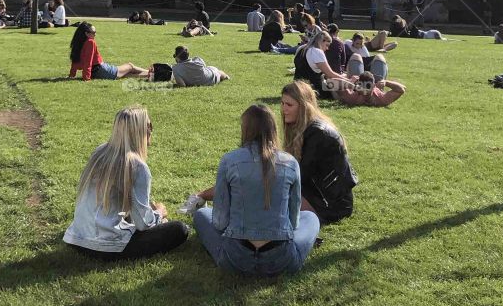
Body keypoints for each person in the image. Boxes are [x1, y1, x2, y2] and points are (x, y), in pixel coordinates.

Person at [188, 103, 320, 278]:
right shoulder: (290, 163)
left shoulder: (229, 161)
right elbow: (294, 221)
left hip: (235, 258)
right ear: (273, 129)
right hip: (281, 259)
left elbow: (220, 222)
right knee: (310, 217)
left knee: (202, 214)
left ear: (245, 129)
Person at [63, 106, 188, 259]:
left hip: (76, 238)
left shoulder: (100, 152)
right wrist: (159, 213)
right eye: (149, 126)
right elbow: (143, 224)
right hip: (105, 246)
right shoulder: (137, 166)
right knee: (179, 229)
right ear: (140, 130)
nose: (151, 130)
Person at [281, 81, 357, 224]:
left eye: (289, 105)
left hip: (332, 204)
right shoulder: (307, 127)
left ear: (304, 107)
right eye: (283, 103)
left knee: (273, 195)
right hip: (317, 194)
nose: (284, 109)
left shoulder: (318, 134)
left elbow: (300, 175)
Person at [68, 22, 146, 82]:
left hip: (96, 72)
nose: (95, 34)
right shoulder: (90, 42)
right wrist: (86, 78)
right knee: (130, 66)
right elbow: (88, 61)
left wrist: (72, 74)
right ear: (86, 33)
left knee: (128, 74)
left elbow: (75, 60)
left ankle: (152, 73)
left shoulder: (78, 42)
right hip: (100, 70)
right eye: (93, 32)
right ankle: (152, 72)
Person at [294, 29, 347, 97]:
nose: (327, 48)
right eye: (327, 45)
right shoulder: (317, 52)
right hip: (313, 88)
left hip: (297, 86)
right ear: (322, 41)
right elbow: (330, 74)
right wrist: (348, 80)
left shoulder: (301, 48)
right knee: (340, 83)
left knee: (342, 77)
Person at [333, 71, 406, 107]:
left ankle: (345, 74)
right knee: (379, 58)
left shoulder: (352, 98)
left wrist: (351, 82)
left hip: (357, 81)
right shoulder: (381, 100)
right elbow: (401, 89)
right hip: (359, 81)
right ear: (374, 85)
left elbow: (331, 82)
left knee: (356, 57)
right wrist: (386, 82)